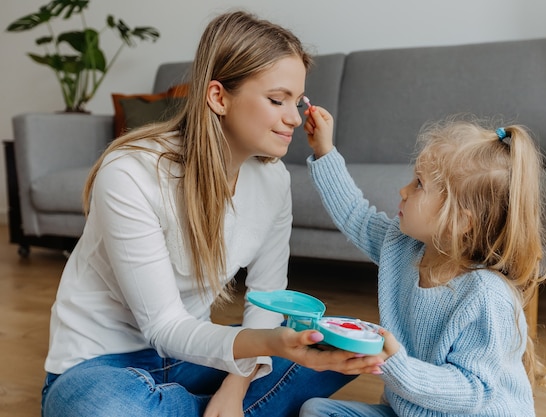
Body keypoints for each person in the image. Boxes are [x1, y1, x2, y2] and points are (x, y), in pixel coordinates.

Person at [41, 11, 384, 417]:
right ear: (218, 97)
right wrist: (270, 347)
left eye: (297, 101)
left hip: (197, 357)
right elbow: (163, 328)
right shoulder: (131, 174)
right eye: (277, 100)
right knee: (107, 409)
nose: (293, 117)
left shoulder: (273, 183)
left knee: (339, 342)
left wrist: (235, 388)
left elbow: (266, 302)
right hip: (104, 364)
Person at [299, 107, 546, 417]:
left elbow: (474, 391)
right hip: (409, 411)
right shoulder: (403, 246)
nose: (403, 190)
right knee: (315, 411)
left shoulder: (487, 297)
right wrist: (324, 151)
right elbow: (356, 215)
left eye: (419, 184)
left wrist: (397, 366)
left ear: (461, 221)